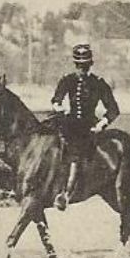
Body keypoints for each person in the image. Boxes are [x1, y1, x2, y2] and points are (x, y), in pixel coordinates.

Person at [50, 43, 120, 210]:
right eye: (79, 65)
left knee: (75, 152)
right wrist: (60, 108)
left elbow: (113, 110)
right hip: (69, 121)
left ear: (90, 65)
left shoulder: (99, 83)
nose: (81, 69)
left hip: (88, 126)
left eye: (84, 66)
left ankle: (66, 194)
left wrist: (101, 124)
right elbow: (56, 100)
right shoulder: (67, 80)